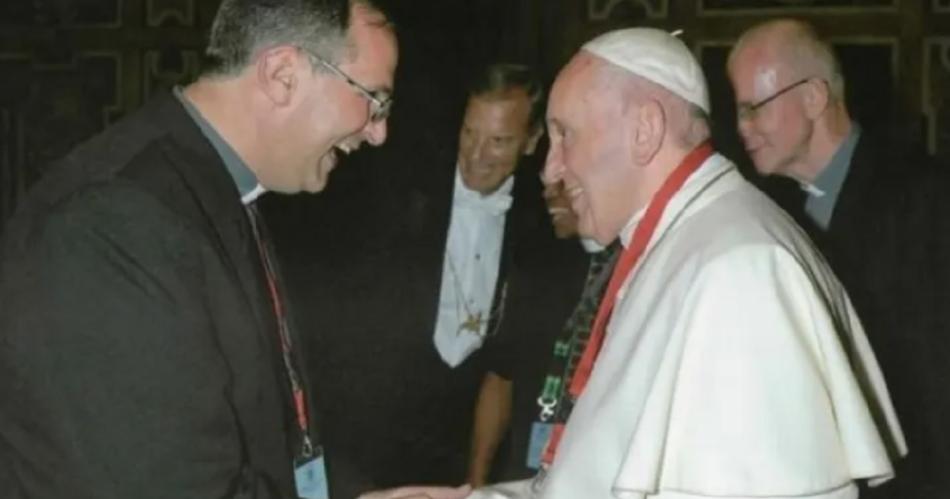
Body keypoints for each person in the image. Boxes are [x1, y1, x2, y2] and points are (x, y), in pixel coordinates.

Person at [0, 1, 464, 498]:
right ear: (283, 75)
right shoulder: (114, 222)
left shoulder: (210, 186)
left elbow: (263, 433)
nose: (378, 131)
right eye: (373, 99)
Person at [469, 27, 905, 499]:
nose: (551, 168)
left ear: (645, 131)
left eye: (565, 135)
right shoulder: (677, 242)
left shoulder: (740, 272)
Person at [293, 63, 548, 497]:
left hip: (467, 446)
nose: (476, 155)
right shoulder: (398, 195)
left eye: (499, 141)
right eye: (470, 133)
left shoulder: (540, 224)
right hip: (374, 442)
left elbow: (510, 362)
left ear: (531, 140)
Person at [727, 19, 950, 497]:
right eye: (738, 110)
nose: (742, 127)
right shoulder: (766, 210)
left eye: (754, 108)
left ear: (813, 97)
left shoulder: (925, 197)